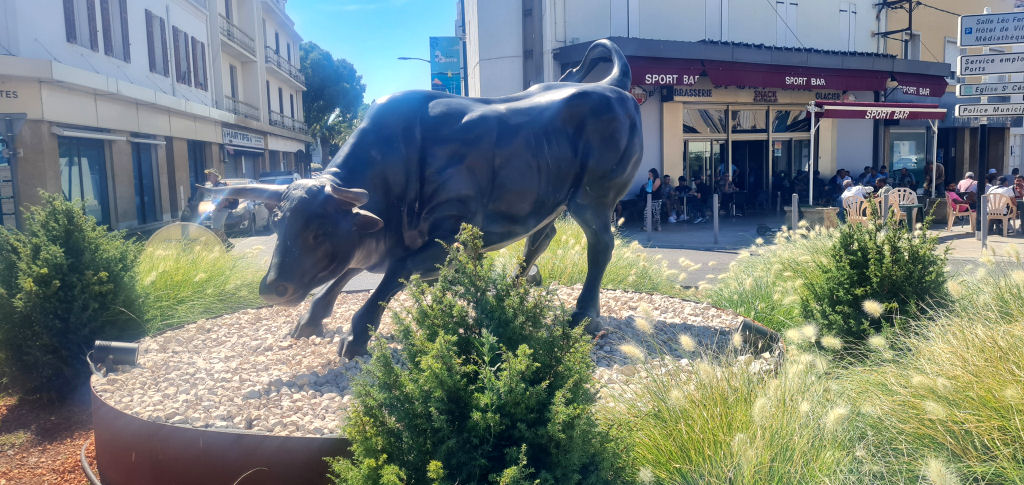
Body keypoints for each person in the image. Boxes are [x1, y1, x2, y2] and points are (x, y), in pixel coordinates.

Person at [204, 169, 238, 246]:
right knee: (219, 229)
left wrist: (218, 208)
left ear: (216, 176)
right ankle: (225, 245)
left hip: (221, 210)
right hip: (218, 210)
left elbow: (223, 200)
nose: (208, 177)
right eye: (208, 175)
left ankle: (228, 244)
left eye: (210, 175)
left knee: (216, 229)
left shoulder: (220, 186)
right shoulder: (215, 186)